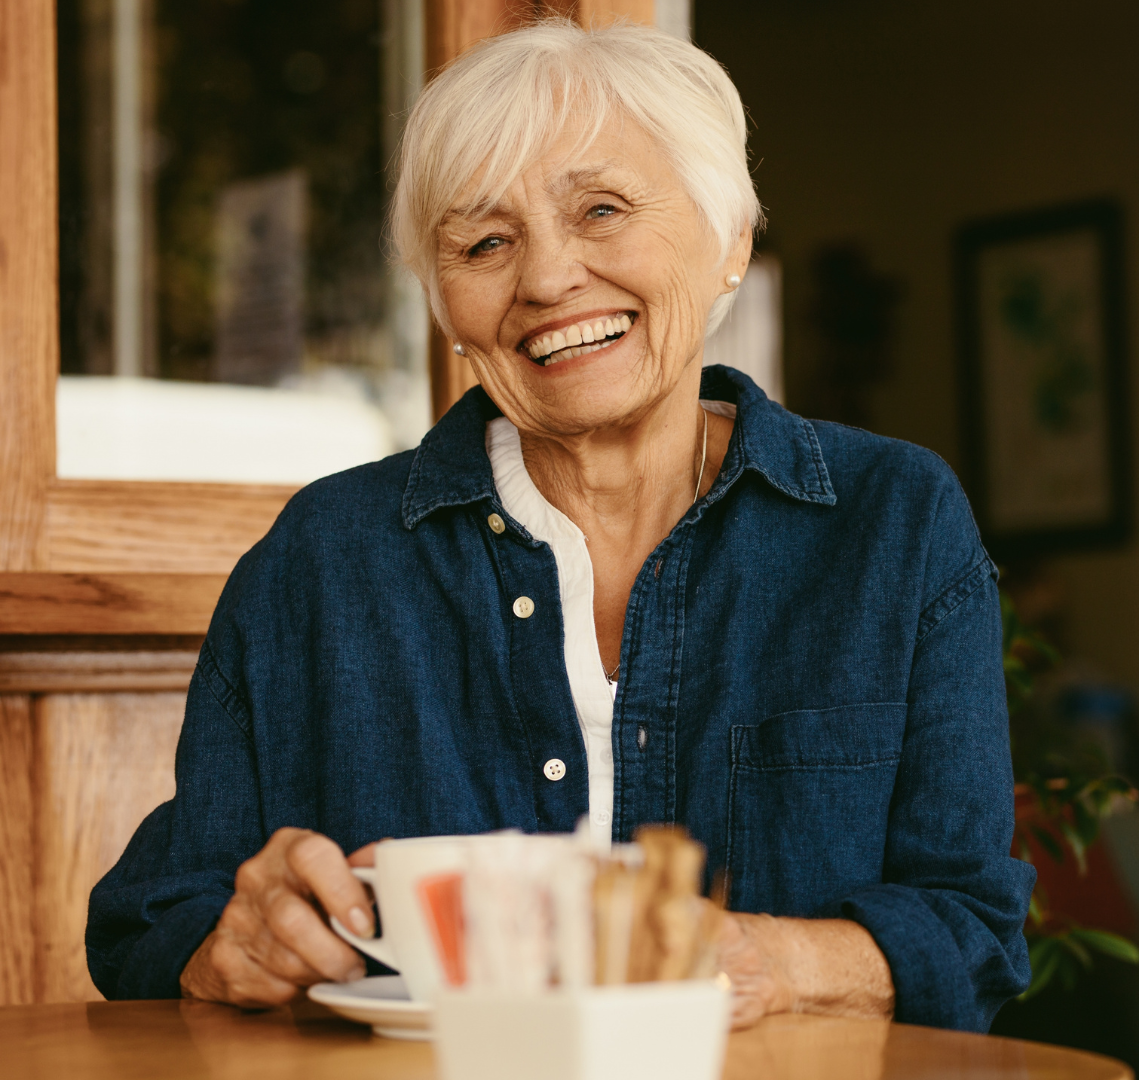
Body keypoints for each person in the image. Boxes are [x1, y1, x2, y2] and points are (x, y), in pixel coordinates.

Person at [86, 18, 1033, 1032]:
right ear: (446, 305)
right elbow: (149, 919)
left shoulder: (890, 522)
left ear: (729, 242)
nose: (545, 280)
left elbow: (970, 929)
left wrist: (772, 961)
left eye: (603, 209)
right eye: (484, 242)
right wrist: (231, 941)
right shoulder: (323, 559)